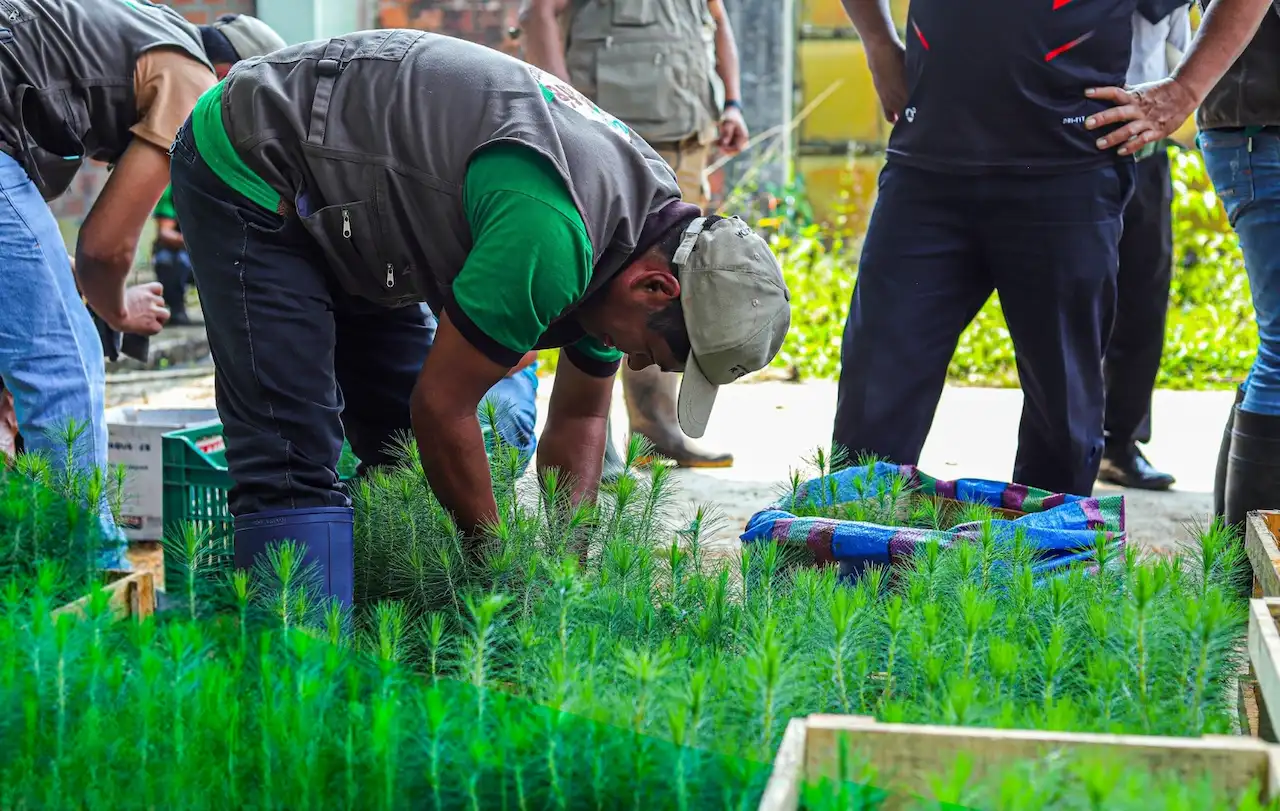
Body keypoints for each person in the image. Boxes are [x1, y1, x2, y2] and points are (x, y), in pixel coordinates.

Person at [168, 29, 790, 607]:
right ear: (656, 288)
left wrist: (562, 575)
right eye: (658, 352)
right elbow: (442, 408)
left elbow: (578, 416)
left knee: (400, 453)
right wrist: (500, 569)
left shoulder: (638, 243)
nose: (639, 362)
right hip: (259, 154)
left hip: (363, 203)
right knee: (292, 451)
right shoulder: (554, 235)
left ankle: (390, 644)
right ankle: (294, 680)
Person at [833, 0, 1275, 498]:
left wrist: (1184, 91)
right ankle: (849, 566)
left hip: (1066, 173)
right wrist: (877, 44)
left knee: (1063, 420)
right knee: (873, 403)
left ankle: (1047, 573)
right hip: (927, 169)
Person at [0, 1, 284, 565]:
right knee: (63, 362)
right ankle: (87, 579)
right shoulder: (194, 80)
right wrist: (118, 309)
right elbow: (103, 250)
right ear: (235, 80)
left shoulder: (138, 31)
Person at [519, 0, 748, 472]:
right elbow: (538, 13)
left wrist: (732, 102)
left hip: (685, 137)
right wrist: (563, 109)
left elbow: (717, 21)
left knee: (666, 296)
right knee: (595, 282)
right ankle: (588, 440)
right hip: (611, 144)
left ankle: (656, 432)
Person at [1096, 1, 1192, 492]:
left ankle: (1119, 443)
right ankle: (1069, 441)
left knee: (1143, 302)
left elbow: (1188, 51)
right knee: (1072, 301)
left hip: (1147, 152)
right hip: (1076, 151)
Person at [1191, 6, 1280, 525]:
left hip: (1255, 130)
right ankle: (1248, 575)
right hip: (1259, 134)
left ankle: (1232, 557)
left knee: (1274, 345)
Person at [151, 185, 195, 326]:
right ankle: (177, 308)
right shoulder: (172, 189)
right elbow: (164, 232)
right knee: (166, 260)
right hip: (183, 252)